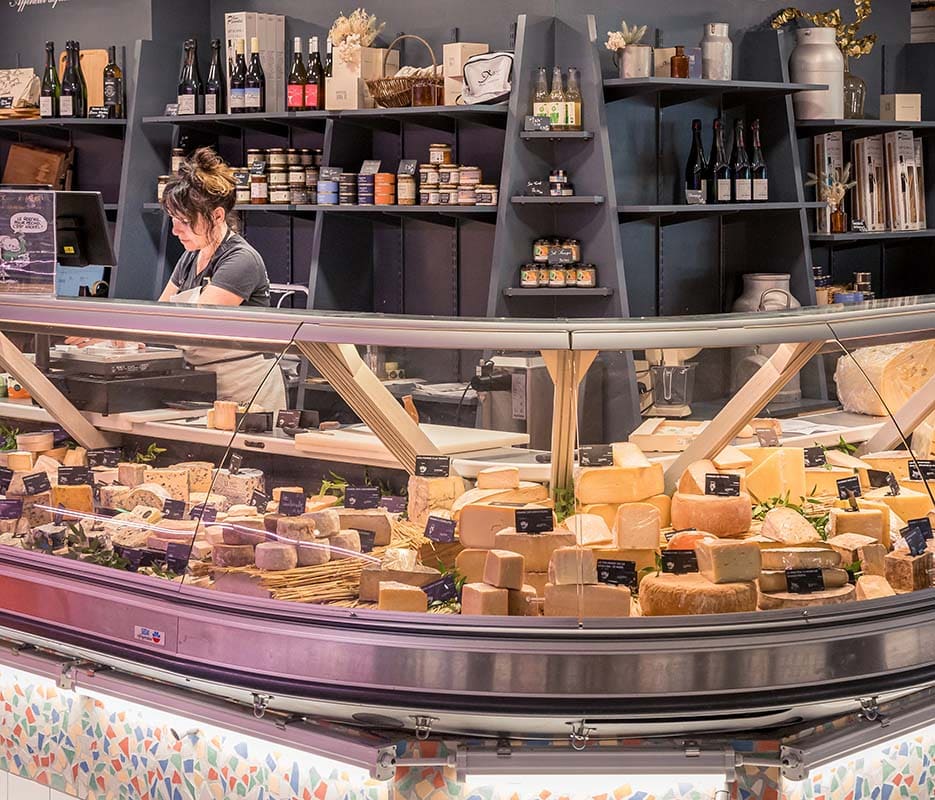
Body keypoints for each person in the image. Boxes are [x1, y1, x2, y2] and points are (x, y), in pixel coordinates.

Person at [69, 147, 287, 412]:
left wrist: (116, 332)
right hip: (204, 383)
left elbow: (193, 326)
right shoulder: (191, 257)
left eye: (184, 221)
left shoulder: (240, 260)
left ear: (217, 215)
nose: (174, 231)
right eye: (172, 219)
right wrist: (107, 332)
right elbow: (159, 315)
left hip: (246, 388)